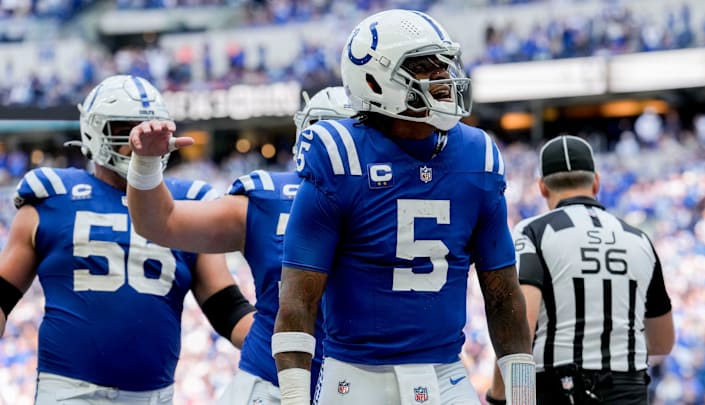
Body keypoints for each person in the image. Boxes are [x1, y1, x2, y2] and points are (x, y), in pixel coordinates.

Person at [272, 9, 536, 405]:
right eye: (425, 68)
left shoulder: (477, 155)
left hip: (446, 374)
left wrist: (522, 397)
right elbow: (297, 301)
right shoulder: (340, 156)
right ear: (375, 80)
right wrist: (293, 400)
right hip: (355, 380)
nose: (444, 79)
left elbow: (502, 295)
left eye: (444, 65)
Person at [0, 75, 255, 404]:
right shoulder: (51, 196)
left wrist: (288, 347)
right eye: (125, 129)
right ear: (93, 132)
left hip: (152, 396)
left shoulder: (190, 202)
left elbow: (227, 309)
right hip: (67, 393)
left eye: (149, 127)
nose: (140, 139)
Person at [124, 86, 354, 404]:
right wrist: (147, 164)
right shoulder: (268, 199)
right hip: (270, 385)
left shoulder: (402, 201)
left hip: (363, 384)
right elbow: (160, 223)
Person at [487, 135, 675, 405]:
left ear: (542, 187)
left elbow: (520, 325)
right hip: (629, 389)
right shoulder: (639, 238)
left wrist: (500, 396)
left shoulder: (533, 232)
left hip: (559, 387)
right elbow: (662, 341)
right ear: (596, 182)